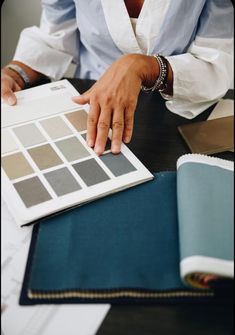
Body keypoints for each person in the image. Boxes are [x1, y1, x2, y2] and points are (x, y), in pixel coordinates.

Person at [1, 0, 234, 155]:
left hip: (180, 120)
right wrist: (15, 73)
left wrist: (145, 66)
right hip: (91, 111)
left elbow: (215, 63)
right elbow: (54, 37)